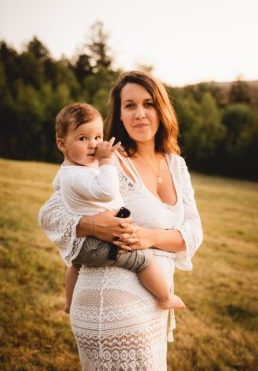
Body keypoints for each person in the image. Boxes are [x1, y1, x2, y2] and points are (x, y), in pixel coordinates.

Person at [39, 70, 203, 371]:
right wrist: (91, 225)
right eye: (130, 105)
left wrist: (149, 237)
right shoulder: (106, 159)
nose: (140, 114)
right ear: (120, 113)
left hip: (153, 308)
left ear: (162, 109)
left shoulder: (176, 165)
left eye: (148, 103)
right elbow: (50, 214)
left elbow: (193, 230)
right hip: (112, 305)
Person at [53, 102, 186, 313]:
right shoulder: (87, 169)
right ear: (62, 144)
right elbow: (105, 190)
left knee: (74, 265)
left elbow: (58, 186)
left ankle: (69, 303)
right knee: (143, 260)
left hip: (83, 246)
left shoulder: (69, 170)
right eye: (82, 138)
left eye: (97, 137)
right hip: (96, 243)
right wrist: (106, 161)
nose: (93, 145)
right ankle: (164, 297)